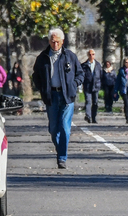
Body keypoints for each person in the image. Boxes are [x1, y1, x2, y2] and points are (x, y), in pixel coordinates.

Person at [33, 28, 84, 169]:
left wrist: (74, 85)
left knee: (64, 127)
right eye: (52, 41)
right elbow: (36, 76)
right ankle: (60, 147)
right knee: (54, 129)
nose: (55, 44)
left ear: (62, 41)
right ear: (49, 41)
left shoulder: (70, 56)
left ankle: (62, 157)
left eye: (57, 41)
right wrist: (43, 89)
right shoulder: (43, 57)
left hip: (67, 96)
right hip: (51, 96)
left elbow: (80, 74)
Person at [81, 49, 103, 124]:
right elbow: (81, 76)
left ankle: (94, 117)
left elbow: (100, 75)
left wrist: (101, 84)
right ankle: (88, 116)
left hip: (96, 86)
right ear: (88, 55)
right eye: (90, 54)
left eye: (93, 54)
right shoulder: (84, 65)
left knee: (95, 102)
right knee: (88, 101)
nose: (91, 56)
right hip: (87, 86)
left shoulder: (98, 65)